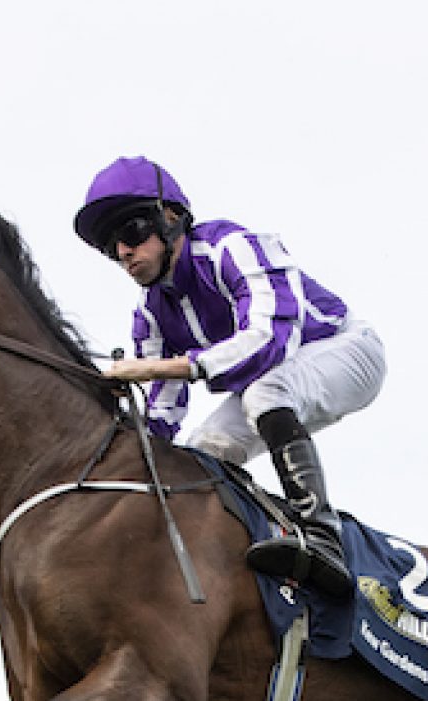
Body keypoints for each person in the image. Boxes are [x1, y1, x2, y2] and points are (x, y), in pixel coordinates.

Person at [73, 156, 387, 599]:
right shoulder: (150, 315)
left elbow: (267, 342)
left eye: (131, 233)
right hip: (273, 381)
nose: (123, 253)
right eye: (111, 247)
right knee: (198, 456)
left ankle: (322, 535)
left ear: (170, 218)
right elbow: (159, 423)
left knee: (264, 390)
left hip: (348, 350)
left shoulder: (231, 247)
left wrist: (159, 367)